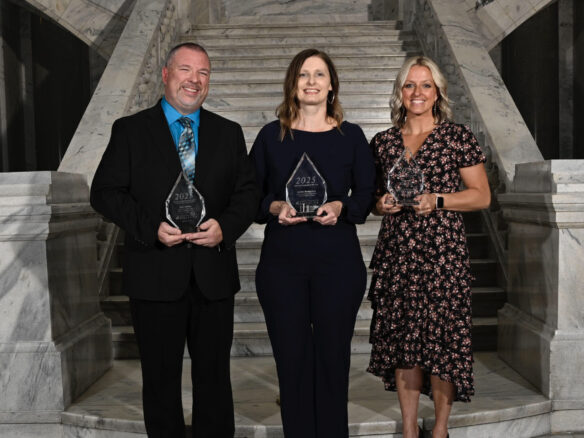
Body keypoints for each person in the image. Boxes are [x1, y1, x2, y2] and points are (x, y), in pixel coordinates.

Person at [90, 42, 259, 438]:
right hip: (154, 274)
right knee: (161, 381)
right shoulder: (130, 130)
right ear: (166, 74)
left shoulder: (228, 132)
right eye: (186, 70)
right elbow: (105, 192)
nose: (194, 80)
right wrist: (150, 228)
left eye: (203, 73)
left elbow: (248, 194)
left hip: (212, 275)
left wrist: (225, 226)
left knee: (214, 379)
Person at [250, 48, 375, 438]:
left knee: (332, 359)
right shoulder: (272, 135)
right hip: (282, 265)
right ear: (293, 84)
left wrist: (342, 204)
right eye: (304, 75)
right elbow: (249, 195)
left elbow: (367, 194)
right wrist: (274, 205)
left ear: (332, 85)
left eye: (319, 75)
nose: (311, 82)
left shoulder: (351, 136)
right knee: (292, 361)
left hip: (337, 263)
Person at [367, 55, 491, 438]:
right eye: (409, 85)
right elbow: (373, 197)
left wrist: (438, 200)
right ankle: (408, 429)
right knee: (404, 341)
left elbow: (481, 196)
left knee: (442, 343)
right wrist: (380, 204)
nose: (417, 93)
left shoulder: (457, 137)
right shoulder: (383, 142)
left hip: (443, 257)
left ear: (437, 92)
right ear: (400, 92)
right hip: (398, 255)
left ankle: (439, 429)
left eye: (425, 85)